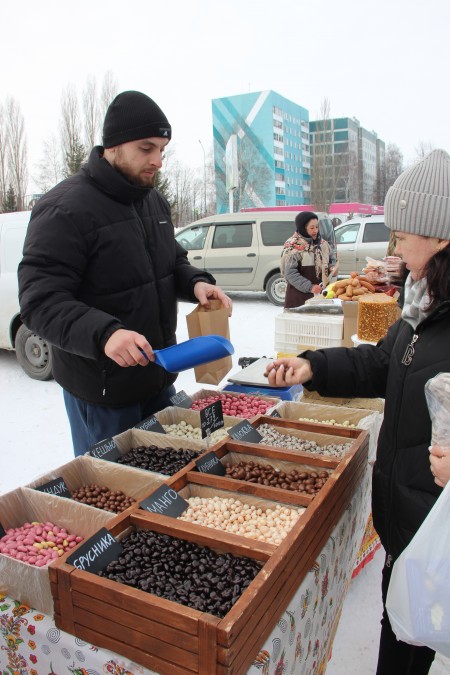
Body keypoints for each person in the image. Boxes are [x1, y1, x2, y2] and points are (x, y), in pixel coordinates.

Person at [265, 149, 450, 674]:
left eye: (403, 234)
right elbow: (382, 364)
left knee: (418, 632)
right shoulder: (421, 304)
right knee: (401, 634)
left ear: (439, 237)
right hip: (408, 519)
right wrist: (314, 367)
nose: (394, 245)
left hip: (437, 523)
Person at [18, 90, 232, 457]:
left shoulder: (154, 201)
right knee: (116, 494)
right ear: (113, 146)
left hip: (158, 379)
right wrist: (104, 334)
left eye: (163, 150)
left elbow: (172, 262)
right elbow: (40, 302)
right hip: (103, 395)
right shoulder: (64, 209)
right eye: (146, 149)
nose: (158, 161)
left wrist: (196, 282)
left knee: (164, 484)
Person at [280, 211, 335, 308]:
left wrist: (331, 268)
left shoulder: (323, 244)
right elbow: (290, 274)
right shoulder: (293, 246)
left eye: (317, 227)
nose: (315, 231)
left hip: (319, 296)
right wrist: (310, 287)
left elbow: (330, 261)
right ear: (303, 228)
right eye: (312, 228)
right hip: (298, 298)